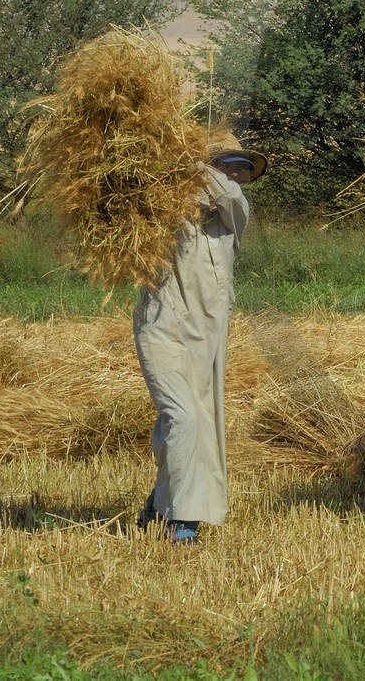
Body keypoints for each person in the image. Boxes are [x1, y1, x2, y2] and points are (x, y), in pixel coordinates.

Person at [134, 137, 266, 543]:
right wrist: (179, 176)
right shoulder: (160, 215)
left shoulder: (233, 217)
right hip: (161, 328)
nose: (234, 174)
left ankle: (160, 501)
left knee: (192, 423)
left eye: (241, 167)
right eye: (226, 164)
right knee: (184, 418)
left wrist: (196, 165)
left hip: (207, 335)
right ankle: (184, 522)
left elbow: (229, 196)